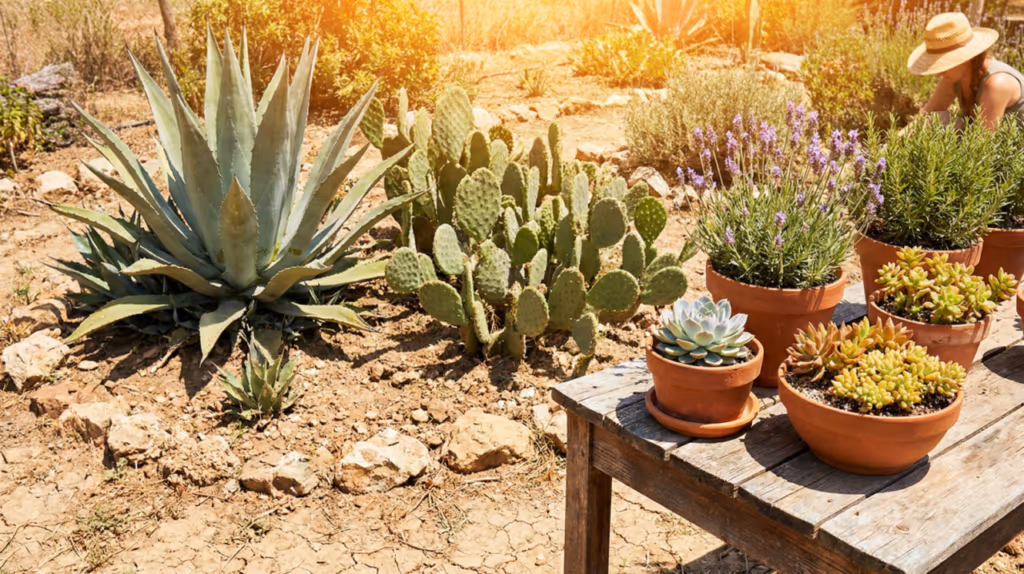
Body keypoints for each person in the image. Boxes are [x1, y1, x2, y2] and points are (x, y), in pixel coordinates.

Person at [908, 12, 1023, 130]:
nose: (939, 73)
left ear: (965, 58)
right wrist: (890, 145)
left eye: (944, 64)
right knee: (936, 120)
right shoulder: (955, 77)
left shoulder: (996, 84)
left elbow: (983, 143)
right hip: (983, 141)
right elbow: (924, 117)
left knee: (944, 121)